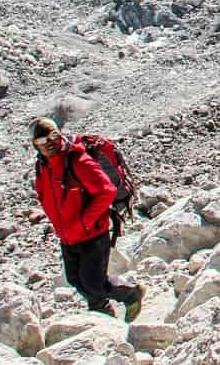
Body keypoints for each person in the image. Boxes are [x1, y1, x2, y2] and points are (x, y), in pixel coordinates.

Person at [32, 117, 144, 320]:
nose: (48, 144)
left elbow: (106, 191)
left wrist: (85, 222)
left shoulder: (78, 161)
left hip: (92, 234)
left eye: (53, 137)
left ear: (60, 135)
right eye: (41, 141)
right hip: (68, 235)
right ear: (35, 145)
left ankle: (132, 294)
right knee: (75, 279)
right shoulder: (43, 167)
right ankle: (101, 311)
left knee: (94, 282)